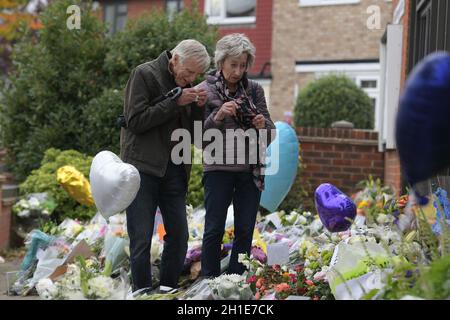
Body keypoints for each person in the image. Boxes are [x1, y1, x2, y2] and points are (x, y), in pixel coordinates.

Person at [120, 39, 210, 292]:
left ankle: (167, 289)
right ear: (175, 60)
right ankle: (142, 292)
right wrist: (175, 102)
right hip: (142, 169)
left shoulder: (188, 86)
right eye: (189, 71)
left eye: (196, 74)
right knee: (141, 237)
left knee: (179, 236)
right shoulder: (144, 74)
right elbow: (135, 121)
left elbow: (198, 137)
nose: (191, 78)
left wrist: (199, 109)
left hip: (175, 170)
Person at [200, 33, 276, 277]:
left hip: (248, 172)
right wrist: (219, 115)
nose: (238, 71)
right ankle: (209, 281)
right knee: (214, 229)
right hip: (218, 170)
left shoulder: (254, 91)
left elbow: (271, 135)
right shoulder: (204, 90)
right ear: (220, 62)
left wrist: (262, 125)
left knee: (245, 230)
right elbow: (200, 138)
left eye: (243, 65)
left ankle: (235, 282)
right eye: (233, 65)